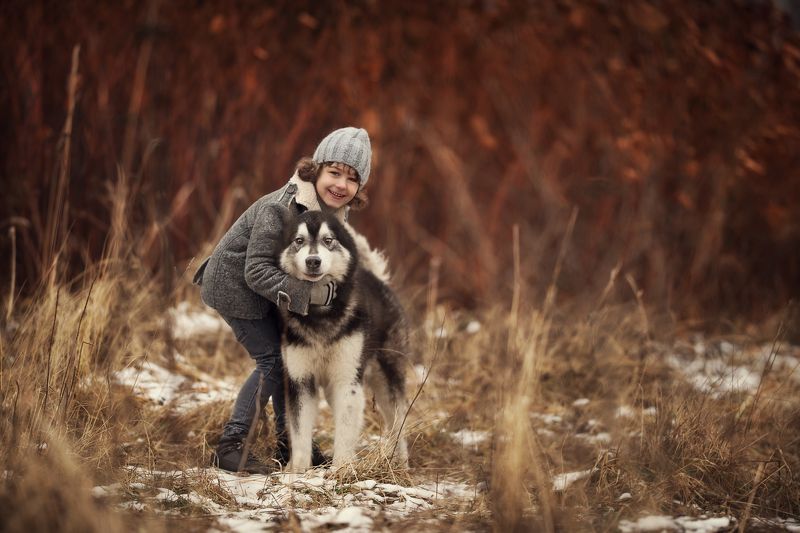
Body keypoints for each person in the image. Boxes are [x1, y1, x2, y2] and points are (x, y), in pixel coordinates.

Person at [194, 127, 372, 474]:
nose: (341, 184)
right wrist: (311, 295)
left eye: (352, 179)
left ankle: (289, 443)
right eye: (334, 172)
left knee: (292, 361)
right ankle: (231, 446)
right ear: (315, 169)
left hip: (273, 293)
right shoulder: (280, 208)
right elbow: (256, 270)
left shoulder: (333, 212)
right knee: (274, 361)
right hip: (236, 287)